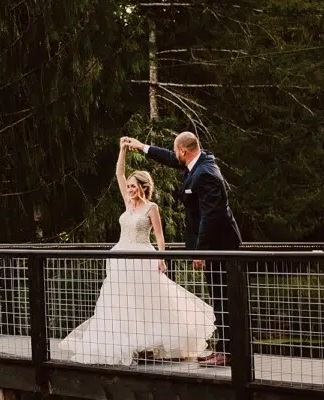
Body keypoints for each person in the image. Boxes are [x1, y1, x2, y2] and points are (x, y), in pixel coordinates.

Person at [55, 138, 215, 366]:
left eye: (133, 186)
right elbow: (119, 174)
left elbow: (159, 236)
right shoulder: (127, 204)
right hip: (121, 257)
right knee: (120, 302)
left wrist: (161, 258)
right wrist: (122, 150)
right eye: (128, 186)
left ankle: (149, 346)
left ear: (142, 187)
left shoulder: (151, 208)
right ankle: (127, 344)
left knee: (146, 302)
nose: (129, 189)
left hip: (143, 256)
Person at [122, 131, 241, 366]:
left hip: (219, 246)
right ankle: (223, 349)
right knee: (218, 296)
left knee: (223, 297)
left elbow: (210, 215)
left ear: (184, 151)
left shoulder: (205, 173)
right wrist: (142, 147)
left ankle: (228, 353)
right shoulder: (199, 162)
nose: (175, 155)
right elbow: (169, 157)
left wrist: (200, 250)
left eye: (177, 151)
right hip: (215, 245)